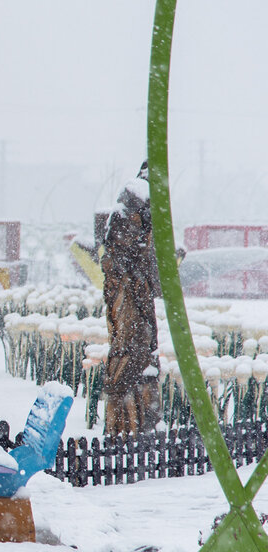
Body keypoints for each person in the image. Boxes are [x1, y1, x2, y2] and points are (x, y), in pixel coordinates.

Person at [102, 161, 160, 435]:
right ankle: (128, 425)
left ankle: (135, 421)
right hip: (129, 296)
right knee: (131, 349)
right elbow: (125, 251)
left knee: (136, 349)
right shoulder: (137, 200)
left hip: (134, 295)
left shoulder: (137, 203)